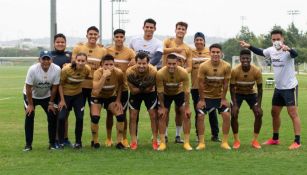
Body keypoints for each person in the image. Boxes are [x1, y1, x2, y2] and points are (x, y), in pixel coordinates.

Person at [240, 29, 301, 149]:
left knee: (292, 113)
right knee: (274, 112)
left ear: (282, 39)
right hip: (278, 88)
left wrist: (288, 49)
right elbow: (261, 52)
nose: (276, 41)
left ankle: (297, 141)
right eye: (273, 39)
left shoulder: (287, 50)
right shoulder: (271, 50)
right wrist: (249, 46)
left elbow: (295, 54)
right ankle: (275, 138)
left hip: (289, 87)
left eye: (278, 39)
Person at [23, 50, 61, 151]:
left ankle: (52, 144)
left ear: (51, 60)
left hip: (46, 95)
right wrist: (30, 104)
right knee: (29, 116)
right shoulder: (32, 69)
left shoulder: (57, 69)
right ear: (39, 60)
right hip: (31, 95)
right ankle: (28, 145)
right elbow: (28, 87)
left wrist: (51, 103)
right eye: (43, 59)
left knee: (52, 115)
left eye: (48, 59)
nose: (46, 61)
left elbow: (55, 87)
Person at [162, 21, 192, 143]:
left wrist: (181, 71)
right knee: (165, 111)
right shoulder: (168, 41)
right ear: (175, 30)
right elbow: (162, 51)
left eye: (183, 29)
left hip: (179, 85)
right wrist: (174, 49)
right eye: (179, 28)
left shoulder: (188, 48)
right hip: (165, 84)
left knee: (180, 111)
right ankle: (165, 134)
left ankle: (178, 135)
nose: (181, 30)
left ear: (185, 31)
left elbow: (189, 66)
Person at [197, 44, 231, 150]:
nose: (215, 54)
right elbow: (200, 84)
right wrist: (202, 100)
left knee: (226, 115)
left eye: (217, 52)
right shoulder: (203, 66)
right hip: (206, 96)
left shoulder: (227, 66)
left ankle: (224, 142)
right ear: (210, 53)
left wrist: (224, 98)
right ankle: (201, 143)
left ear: (221, 53)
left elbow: (226, 83)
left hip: (219, 97)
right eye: (213, 52)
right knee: (200, 116)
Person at [106, 29, 135, 148]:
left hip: (123, 88)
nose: (119, 38)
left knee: (123, 113)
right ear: (114, 38)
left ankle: (124, 138)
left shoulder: (130, 52)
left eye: (121, 37)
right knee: (109, 113)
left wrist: (133, 61)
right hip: (109, 88)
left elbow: (135, 63)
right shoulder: (107, 50)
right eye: (117, 36)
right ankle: (108, 138)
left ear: (124, 38)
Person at [71, 26, 107, 125]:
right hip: (80, 88)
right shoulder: (78, 48)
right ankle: (79, 140)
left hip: (94, 88)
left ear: (98, 36)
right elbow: (73, 65)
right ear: (86, 35)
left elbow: (104, 67)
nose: (93, 36)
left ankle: (94, 140)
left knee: (95, 117)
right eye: (90, 34)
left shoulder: (103, 50)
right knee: (79, 115)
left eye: (95, 34)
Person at [156, 53, 191, 151]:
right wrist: (162, 107)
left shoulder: (183, 72)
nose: (171, 66)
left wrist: (187, 107)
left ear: (177, 63)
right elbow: (160, 91)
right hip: (166, 94)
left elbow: (187, 91)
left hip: (179, 93)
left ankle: (186, 142)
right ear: (166, 63)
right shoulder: (160, 73)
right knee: (162, 114)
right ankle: (163, 142)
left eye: (174, 64)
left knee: (186, 114)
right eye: (169, 64)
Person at [91, 54, 126, 149]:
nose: (109, 67)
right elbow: (96, 91)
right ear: (101, 64)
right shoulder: (97, 73)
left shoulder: (118, 73)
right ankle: (95, 142)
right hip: (97, 97)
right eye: (106, 64)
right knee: (95, 118)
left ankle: (119, 142)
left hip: (111, 97)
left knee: (120, 116)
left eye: (111, 64)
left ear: (114, 64)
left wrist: (118, 100)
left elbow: (120, 86)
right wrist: (104, 76)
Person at [230, 49, 263, 149]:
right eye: (243, 58)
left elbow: (260, 89)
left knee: (259, 114)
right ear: (240, 59)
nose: (245, 60)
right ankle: (236, 141)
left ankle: (255, 140)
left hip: (251, 94)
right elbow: (231, 88)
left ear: (250, 59)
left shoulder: (256, 70)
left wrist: (259, 105)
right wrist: (234, 105)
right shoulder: (235, 70)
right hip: (237, 93)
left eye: (247, 58)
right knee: (234, 113)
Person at [191, 32, 220, 142]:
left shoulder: (209, 52)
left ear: (204, 41)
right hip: (195, 87)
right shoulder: (191, 52)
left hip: (210, 87)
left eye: (201, 40)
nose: (199, 42)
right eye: (197, 40)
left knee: (212, 111)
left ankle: (215, 135)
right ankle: (199, 135)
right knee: (198, 111)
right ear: (194, 41)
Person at [58, 53, 91, 149]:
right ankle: (61, 142)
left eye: (83, 61)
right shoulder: (66, 69)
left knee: (80, 118)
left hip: (78, 96)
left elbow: (85, 78)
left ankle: (78, 142)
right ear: (75, 60)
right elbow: (60, 84)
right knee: (61, 118)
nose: (80, 63)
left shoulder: (87, 69)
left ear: (86, 61)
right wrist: (62, 100)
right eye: (79, 60)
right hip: (65, 96)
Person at [126, 52, 158, 150]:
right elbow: (133, 91)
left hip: (149, 94)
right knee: (133, 116)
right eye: (139, 63)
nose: (141, 66)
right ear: (135, 62)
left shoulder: (153, 71)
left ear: (148, 63)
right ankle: (133, 141)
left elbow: (150, 89)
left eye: (144, 63)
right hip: (136, 94)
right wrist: (144, 86)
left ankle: (155, 141)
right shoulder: (129, 72)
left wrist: (139, 85)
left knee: (153, 115)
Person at [51, 33, 72, 147]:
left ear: (65, 43)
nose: (60, 44)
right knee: (55, 116)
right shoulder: (50, 55)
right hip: (53, 90)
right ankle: (55, 140)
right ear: (54, 43)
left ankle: (65, 138)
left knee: (65, 115)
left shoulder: (70, 55)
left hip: (66, 90)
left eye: (62, 42)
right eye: (58, 42)